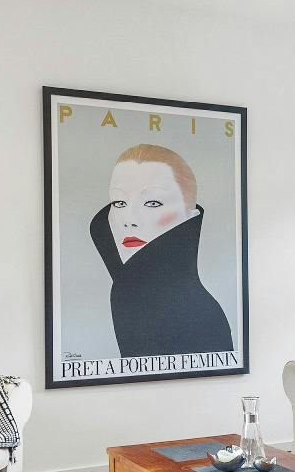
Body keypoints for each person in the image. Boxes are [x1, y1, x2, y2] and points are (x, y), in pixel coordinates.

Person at [89, 144, 233, 357]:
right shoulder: (132, 296)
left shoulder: (196, 316)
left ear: (190, 216)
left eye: (152, 203)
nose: (129, 220)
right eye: (119, 202)